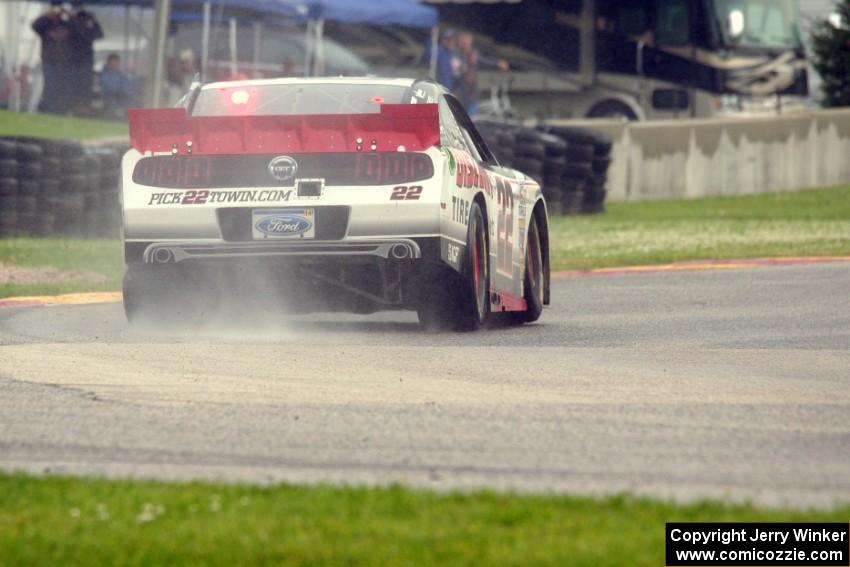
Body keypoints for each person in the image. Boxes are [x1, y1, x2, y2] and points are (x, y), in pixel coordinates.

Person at [32, 1, 75, 114]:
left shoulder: (66, 24)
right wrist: (47, 14)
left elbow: (78, 30)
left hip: (64, 62)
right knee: (49, 85)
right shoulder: (45, 24)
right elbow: (34, 26)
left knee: (61, 86)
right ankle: (46, 108)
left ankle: (59, 109)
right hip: (49, 60)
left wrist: (69, 14)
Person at [455, 32, 509, 116]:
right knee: (459, 109)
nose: (465, 44)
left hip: (472, 87)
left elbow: (484, 61)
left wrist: (497, 64)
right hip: (459, 87)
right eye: (463, 42)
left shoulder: (473, 54)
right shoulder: (455, 54)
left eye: (467, 42)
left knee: (472, 108)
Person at [67, 2, 104, 114]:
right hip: (74, 61)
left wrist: (93, 22)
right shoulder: (71, 23)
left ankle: (84, 108)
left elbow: (100, 34)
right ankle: (74, 108)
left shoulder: (88, 26)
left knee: (85, 86)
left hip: (85, 61)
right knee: (75, 86)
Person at [99, 53, 135, 118]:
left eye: (116, 64)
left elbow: (128, 87)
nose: (115, 65)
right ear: (108, 63)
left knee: (133, 103)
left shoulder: (121, 75)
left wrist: (129, 93)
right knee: (113, 103)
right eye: (113, 64)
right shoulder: (105, 75)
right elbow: (107, 87)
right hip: (110, 97)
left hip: (122, 97)